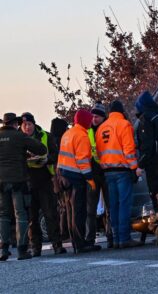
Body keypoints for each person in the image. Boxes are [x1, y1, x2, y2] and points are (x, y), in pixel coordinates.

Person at [96, 100, 143, 248]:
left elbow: (98, 152)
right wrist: (135, 167)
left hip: (107, 171)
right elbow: (129, 149)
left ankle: (116, 238)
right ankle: (124, 238)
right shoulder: (124, 125)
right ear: (121, 110)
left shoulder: (101, 128)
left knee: (114, 206)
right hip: (122, 170)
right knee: (124, 204)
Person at [0, 112, 47, 261]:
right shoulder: (19, 136)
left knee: (4, 215)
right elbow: (41, 149)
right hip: (18, 181)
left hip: (1, 182)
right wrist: (24, 153)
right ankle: (22, 249)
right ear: (15, 124)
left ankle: (3, 249)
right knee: (20, 214)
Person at [20, 113, 66, 256]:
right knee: (32, 218)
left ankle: (57, 245)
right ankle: (35, 247)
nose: (27, 127)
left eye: (29, 124)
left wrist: (46, 160)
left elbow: (55, 153)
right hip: (27, 181)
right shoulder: (18, 139)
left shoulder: (45, 136)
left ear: (34, 124)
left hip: (45, 178)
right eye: (24, 125)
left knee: (50, 214)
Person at [57, 109, 101, 254]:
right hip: (75, 178)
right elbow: (82, 161)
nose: (90, 121)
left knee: (70, 212)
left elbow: (61, 156)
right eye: (89, 119)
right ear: (84, 120)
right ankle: (81, 244)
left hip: (64, 177)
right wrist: (90, 179)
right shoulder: (82, 136)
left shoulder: (67, 134)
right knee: (78, 212)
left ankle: (76, 243)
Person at [86, 102, 113, 248]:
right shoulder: (87, 130)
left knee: (110, 206)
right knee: (90, 208)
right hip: (92, 172)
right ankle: (89, 239)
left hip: (107, 171)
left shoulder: (108, 129)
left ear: (103, 117)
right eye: (92, 116)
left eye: (97, 116)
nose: (94, 119)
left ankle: (111, 237)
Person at [49, 118, 70, 243]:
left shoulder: (50, 139)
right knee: (64, 205)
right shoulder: (61, 140)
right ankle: (64, 231)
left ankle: (62, 232)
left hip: (52, 177)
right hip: (60, 175)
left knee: (60, 206)